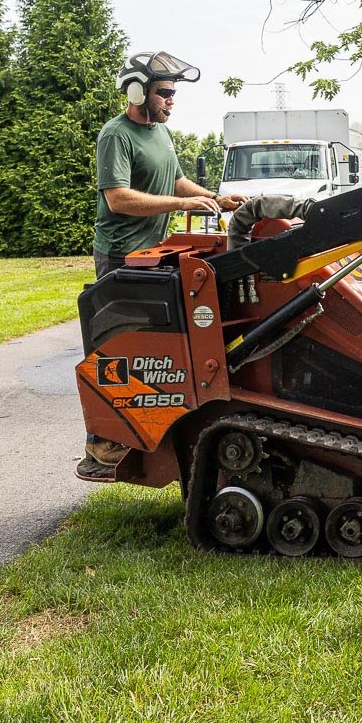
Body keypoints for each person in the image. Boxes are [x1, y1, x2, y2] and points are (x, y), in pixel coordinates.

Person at [77, 50, 246, 483]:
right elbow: (118, 197)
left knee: (159, 351)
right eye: (165, 93)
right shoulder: (116, 135)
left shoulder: (160, 134)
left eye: (173, 94)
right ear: (137, 90)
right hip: (119, 255)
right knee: (119, 350)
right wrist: (183, 203)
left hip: (153, 252)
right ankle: (101, 444)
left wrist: (213, 196)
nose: (172, 101)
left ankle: (156, 428)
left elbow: (173, 180)